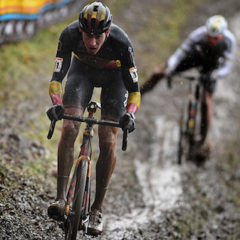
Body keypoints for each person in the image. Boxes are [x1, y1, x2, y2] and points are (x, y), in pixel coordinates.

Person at [46, 1, 141, 236]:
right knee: (69, 127)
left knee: (108, 139)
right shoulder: (68, 35)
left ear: (107, 32)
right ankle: (59, 199)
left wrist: (130, 113)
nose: (92, 42)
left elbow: (135, 90)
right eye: (87, 36)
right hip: (82, 74)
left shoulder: (122, 42)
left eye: (98, 36)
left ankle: (97, 209)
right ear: (80, 31)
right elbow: (56, 78)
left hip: (115, 80)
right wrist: (57, 105)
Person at [141, 15, 235, 146]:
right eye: (209, 36)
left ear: (222, 35)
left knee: (207, 103)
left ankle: (202, 140)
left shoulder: (229, 40)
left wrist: (215, 75)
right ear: (206, 32)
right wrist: (171, 67)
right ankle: (139, 93)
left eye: (216, 38)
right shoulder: (198, 34)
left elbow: (227, 67)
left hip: (212, 67)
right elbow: (180, 53)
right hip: (197, 57)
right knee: (160, 71)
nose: (212, 40)